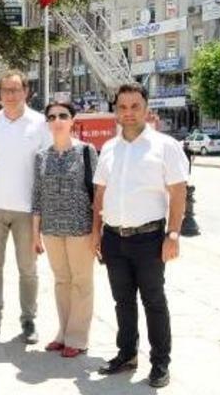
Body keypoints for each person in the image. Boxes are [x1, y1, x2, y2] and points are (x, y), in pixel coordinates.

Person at [93, 83, 188, 388]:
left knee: (153, 301)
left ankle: (160, 363)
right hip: (113, 237)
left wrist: (173, 234)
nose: (129, 113)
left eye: (135, 106)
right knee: (123, 301)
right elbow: (100, 194)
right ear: (116, 111)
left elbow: (178, 192)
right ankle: (127, 354)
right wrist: (96, 233)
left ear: (146, 109)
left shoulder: (165, 146)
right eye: (122, 107)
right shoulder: (108, 148)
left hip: (149, 239)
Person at [0, 69, 51, 343]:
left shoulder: (41, 124)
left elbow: (47, 169)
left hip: (27, 212)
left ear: (26, 92)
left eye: (16, 90)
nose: (11, 95)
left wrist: (44, 211)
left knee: (28, 269)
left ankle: (29, 321)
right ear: (0, 93)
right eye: (6, 90)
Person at [31, 101, 98, 358]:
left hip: (80, 228)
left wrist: (96, 230)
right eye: (52, 117)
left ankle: (78, 338)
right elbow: (37, 196)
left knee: (81, 282)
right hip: (51, 229)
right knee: (61, 282)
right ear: (47, 123)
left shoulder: (85, 151)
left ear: (72, 120)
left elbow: (96, 192)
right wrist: (35, 233)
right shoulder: (41, 156)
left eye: (63, 115)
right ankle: (64, 332)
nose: (57, 120)